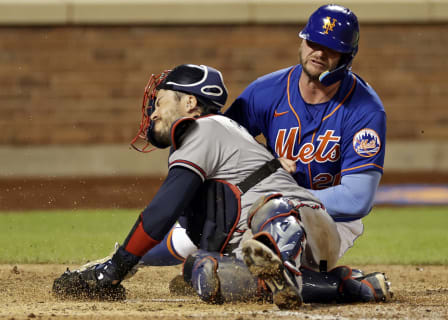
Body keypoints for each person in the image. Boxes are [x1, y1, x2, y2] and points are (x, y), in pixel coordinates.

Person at [52, 64, 391, 309]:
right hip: (286, 247)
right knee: (203, 270)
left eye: (161, 101)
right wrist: (113, 260)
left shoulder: (203, 130)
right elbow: (180, 235)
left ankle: (284, 267)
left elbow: (162, 211)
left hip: (307, 224)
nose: (153, 113)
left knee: (270, 211)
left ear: (189, 104)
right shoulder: (213, 150)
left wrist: (115, 270)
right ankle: (341, 285)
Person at [224, 3, 386, 259]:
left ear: (346, 58)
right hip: (269, 207)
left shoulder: (365, 110)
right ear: (302, 43)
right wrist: (262, 168)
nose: (319, 53)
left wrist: (283, 199)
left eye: (331, 48)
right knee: (212, 251)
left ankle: (344, 283)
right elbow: (223, 149)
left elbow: (357, 199)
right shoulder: (265, 92)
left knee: (274, 262)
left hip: (331, 217)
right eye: (313, 42)